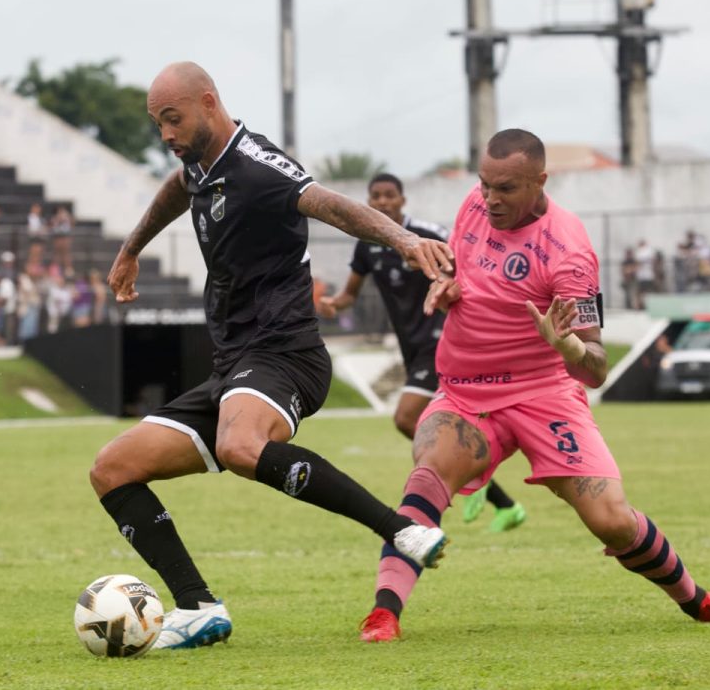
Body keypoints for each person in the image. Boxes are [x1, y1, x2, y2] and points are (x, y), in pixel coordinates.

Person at [94, 61, 454, 650]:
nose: (166, 135)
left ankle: (400, 530)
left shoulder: (259, 167)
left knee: (241, 447)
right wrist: (132, 248)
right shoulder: (197, 164)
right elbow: (176, 189)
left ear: (208, 102)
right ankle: (199, 607)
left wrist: (405, 239)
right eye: (158, 123)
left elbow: (333, 204)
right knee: (112, 469)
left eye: (172, 119)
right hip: (233, 368)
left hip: (287, 354)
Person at [358, 129, 710, 643]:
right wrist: (450, 284)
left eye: (506, 188)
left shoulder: (569, 251)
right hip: (466, 391)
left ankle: (699, 602)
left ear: (540, 181)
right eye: (484, 184)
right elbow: (472, 273)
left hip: (543, 394)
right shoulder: (474, 206)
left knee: (613, 521)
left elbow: (597, 367)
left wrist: (569, 346)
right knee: (427, 475)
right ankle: (384, 614)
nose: (490, 198)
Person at [318, 172, 526, 532]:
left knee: (406, 418)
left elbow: (468, 265)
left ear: (402, 200)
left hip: (441, 338)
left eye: (388, 196)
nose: (382, 202)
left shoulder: (426, 234)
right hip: (411, 345)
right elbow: (352, 292)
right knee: (444, 422)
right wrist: (335, 303)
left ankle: (472, 476)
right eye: (375, 196)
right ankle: (501, 501)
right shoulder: (367, 244)